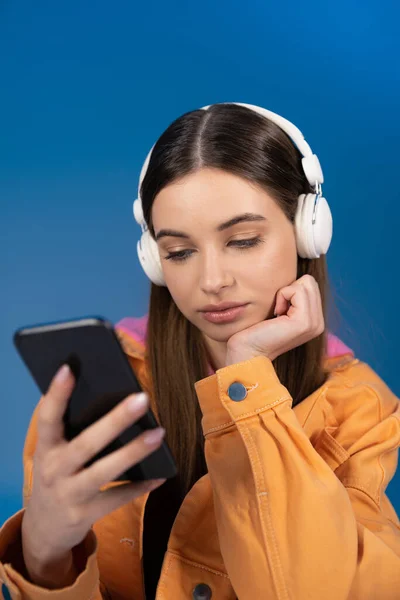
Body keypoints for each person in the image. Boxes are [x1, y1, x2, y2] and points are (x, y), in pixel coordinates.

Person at [0, 102, 399, 600]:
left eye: (244, 240)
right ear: (153, 259)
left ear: (307, 232)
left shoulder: (361, 411)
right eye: (180, 252)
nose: (211, 281)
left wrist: (248, 385)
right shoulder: (103, 382)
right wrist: (42, 557)